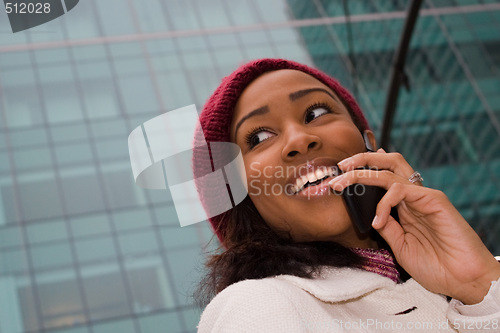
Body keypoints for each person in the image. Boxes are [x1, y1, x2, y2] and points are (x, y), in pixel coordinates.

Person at [193, 58, 500, 332]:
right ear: (241, 196)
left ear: (368, 141)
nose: (300, 139)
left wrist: (479, 286)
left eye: (315, 112)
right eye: (259, 137)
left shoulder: (483, 271)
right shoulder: (256, 305)